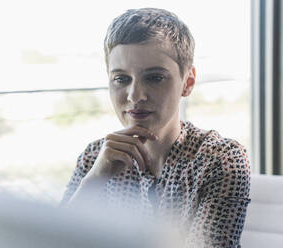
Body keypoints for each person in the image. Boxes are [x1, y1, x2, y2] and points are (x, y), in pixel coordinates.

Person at [61, 8, 251, 247]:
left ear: (188, 82)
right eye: (121, 79)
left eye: (154, 77)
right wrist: (93, 182)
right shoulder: (94, 158)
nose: (135, 96)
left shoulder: (218, 160)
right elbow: (50, 241)